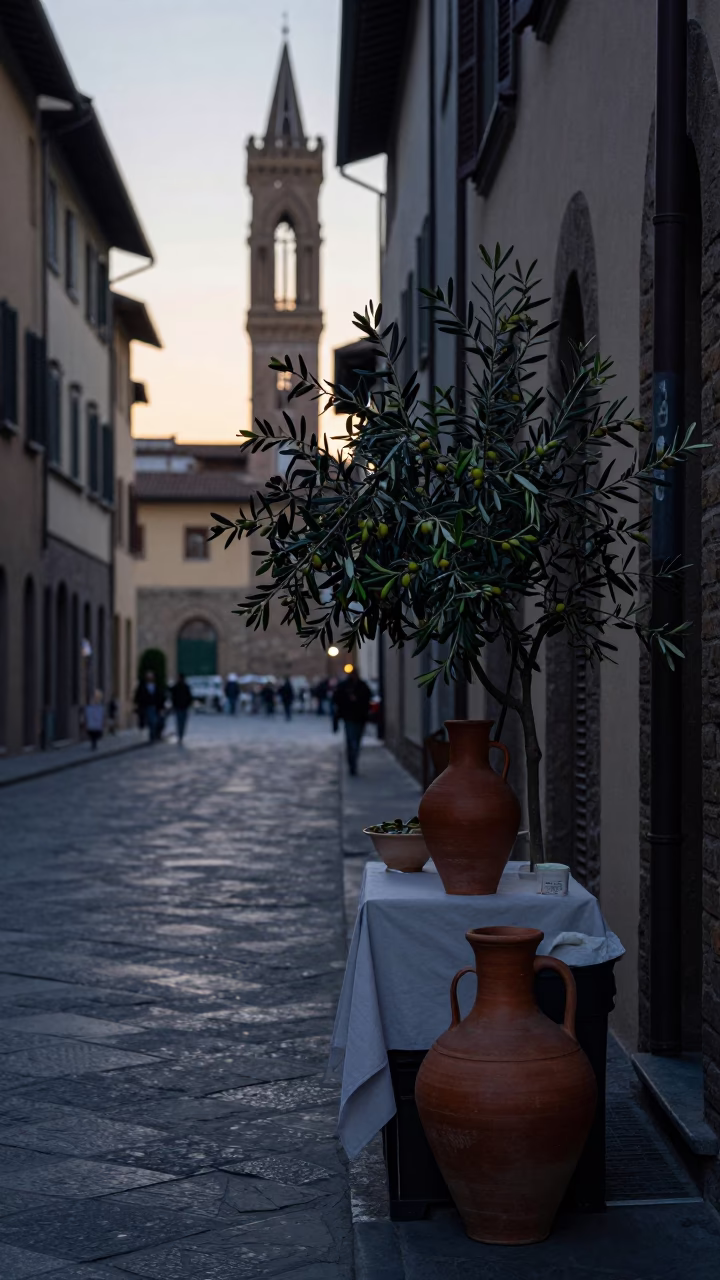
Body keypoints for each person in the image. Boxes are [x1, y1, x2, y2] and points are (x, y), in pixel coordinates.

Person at [333, 667, 372, 776]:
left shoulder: (362, 686)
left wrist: (358, 701)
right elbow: (337, 699)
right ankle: (352, 764)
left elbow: (367, 699)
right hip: (349, 718)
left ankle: (353, 762)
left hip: (359, 718)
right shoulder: (345, 686)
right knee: (351, 742)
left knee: (356, 742)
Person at [134, 669, 164, 742]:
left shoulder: (156, 686)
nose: (150, 678)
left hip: (155, 707)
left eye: (151, 677)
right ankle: (152, 735)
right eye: (148, 677)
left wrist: (161, 706)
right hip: (147, 706)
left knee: (157, 721)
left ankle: (155, 734)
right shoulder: (142, 686)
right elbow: (138, 696)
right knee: (152, 721)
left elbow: (160, 696)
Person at [171, 673, 193, 745]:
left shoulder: (185, 687)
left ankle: (181, 735)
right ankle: (180, 735)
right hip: (179, 707)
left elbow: (189, 697)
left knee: (182, 722)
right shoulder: (176, 687)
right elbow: (173, 697)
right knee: (180, 722)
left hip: (183, 707)